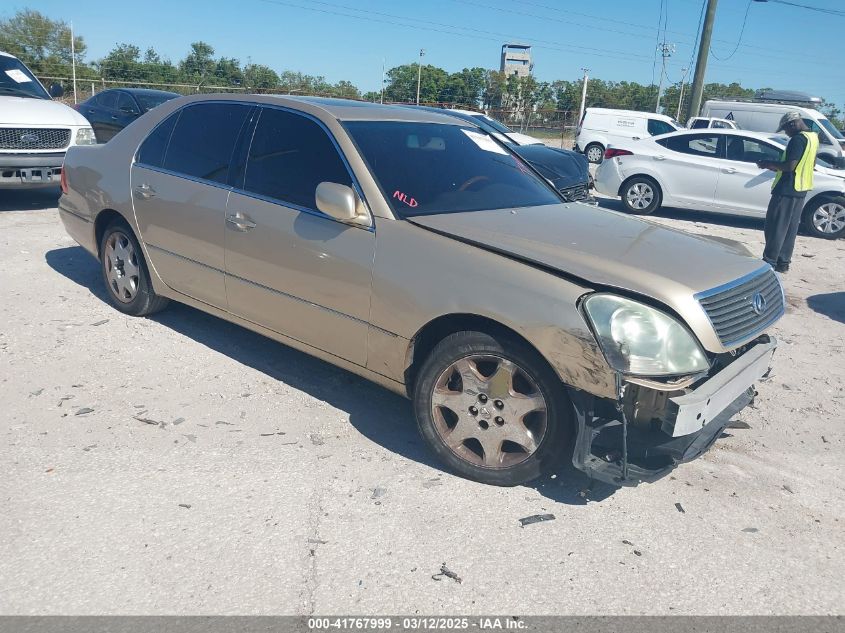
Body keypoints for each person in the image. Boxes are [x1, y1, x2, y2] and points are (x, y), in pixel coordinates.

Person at [756, 112, 819, 273]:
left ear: (793, 124)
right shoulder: (813, 138)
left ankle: (769, 262)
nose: (786, 133)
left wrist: (768, 164)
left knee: (775, 226)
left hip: (787, 189)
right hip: (801, 189)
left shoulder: (798, 139)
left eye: (785, 129)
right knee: (790, 229)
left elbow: (789, 166)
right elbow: (812, 165)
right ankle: (783, 263)